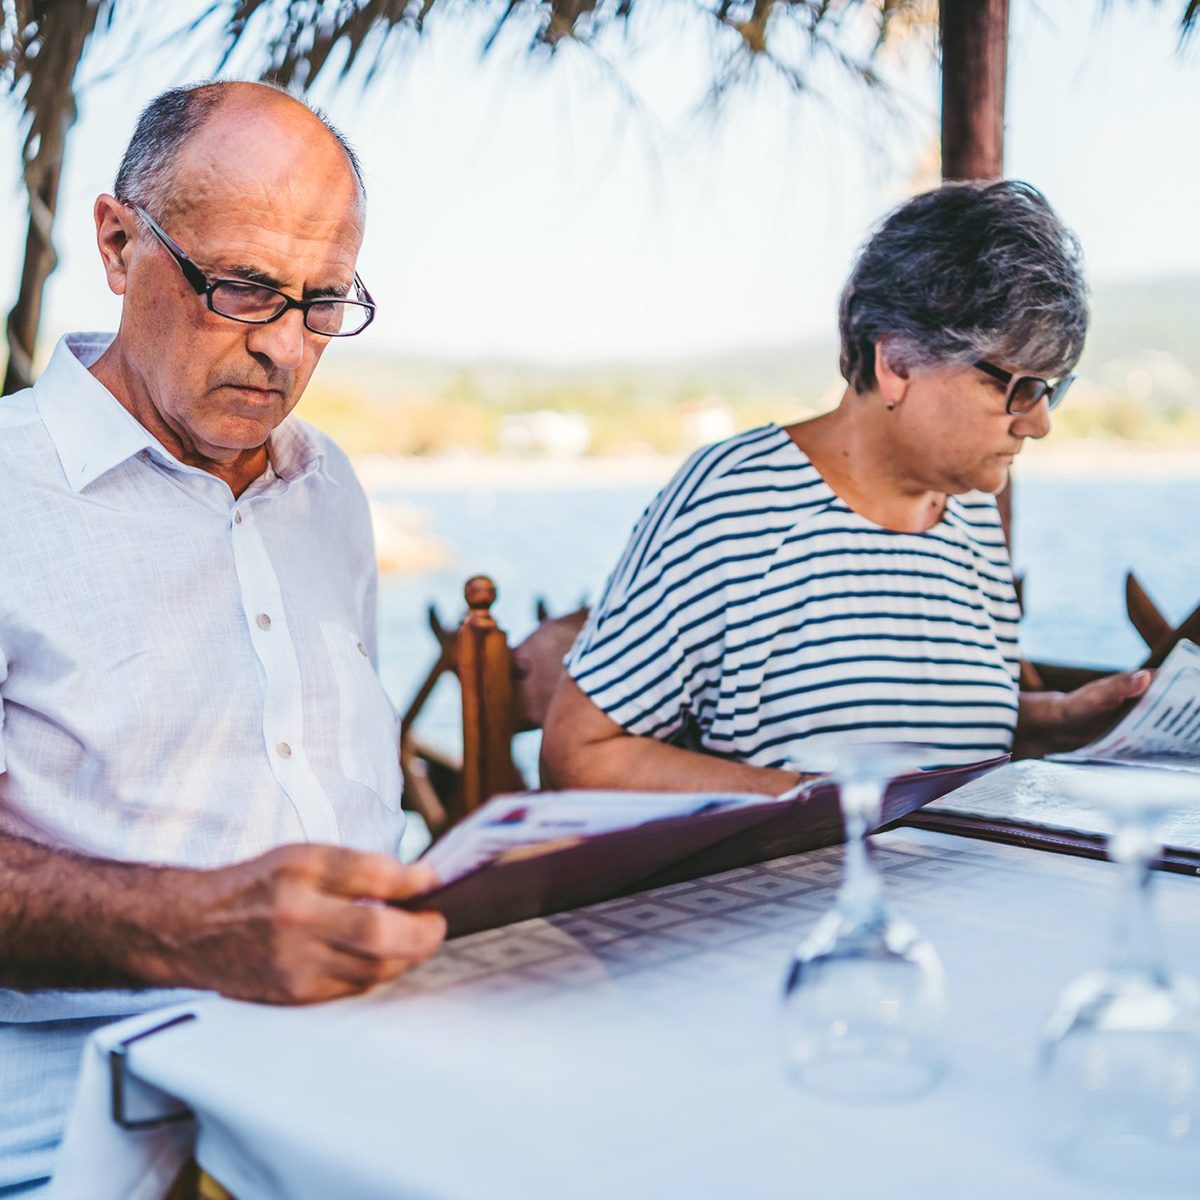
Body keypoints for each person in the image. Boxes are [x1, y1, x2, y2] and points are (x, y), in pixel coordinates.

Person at [0, 81, 445, 1191]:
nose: (285, 351)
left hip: (360, 1088)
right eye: (243, 289)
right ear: (117, 242)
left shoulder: (325, 485)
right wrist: (189, 925)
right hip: (75, 1138)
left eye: (324, 304)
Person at [541, 181, 1150, 794]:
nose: (1039, 422)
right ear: (898, 364)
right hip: (795, 889)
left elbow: (942, 738)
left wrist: (1057, 722)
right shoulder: (735, 504)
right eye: (1016, 387)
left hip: (961, 884)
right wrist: (820, 805)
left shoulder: (970, 517)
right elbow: (579, 756)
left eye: (1050, 389)